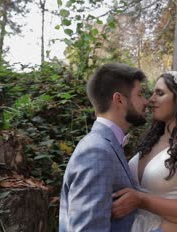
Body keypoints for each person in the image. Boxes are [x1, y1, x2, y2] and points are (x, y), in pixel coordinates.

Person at [112, 71, 177, 232]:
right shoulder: (151, 140)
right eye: (152, 93)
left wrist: (142, 201)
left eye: (160, 93)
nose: (150, 100)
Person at [59, 63, 148, 232]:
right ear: (119, 99)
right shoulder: (97, 151)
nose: (146, 101)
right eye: (140, 94)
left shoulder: (106, 145)